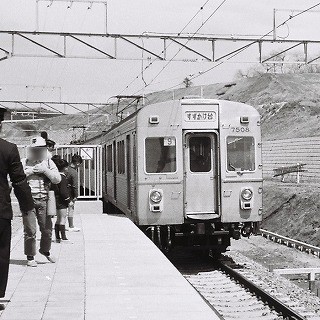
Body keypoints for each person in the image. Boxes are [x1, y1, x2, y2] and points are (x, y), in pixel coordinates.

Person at [0, 107, 34, 310]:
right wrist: (28, 208)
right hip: (1, 211)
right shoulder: (8, 149)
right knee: (1, 252)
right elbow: (19, 182)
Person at [21, 136, 61, 267]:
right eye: (34, 149)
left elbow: (57, 179)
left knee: (47, 229)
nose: (37, 152)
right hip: (28, 200)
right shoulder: (24, 162)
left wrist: (45, 170)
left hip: (44, 200)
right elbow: (16, 177)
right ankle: (30, 256)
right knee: (30, 230)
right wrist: (31, 171)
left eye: (40, 149)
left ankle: (45, 250)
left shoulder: (49, 162)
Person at [51, 158, 70, 242]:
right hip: (62, 201)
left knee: (58, 219)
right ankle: (63, 237)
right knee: (63, 218)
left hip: (56, 199)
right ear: (65, 168)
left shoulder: (55, 177)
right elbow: (63, 191)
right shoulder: (63, 178)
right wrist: (68, 200)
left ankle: (57, 236)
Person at [66, 154, 83, 232]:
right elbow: (75, 185)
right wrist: (76, 195)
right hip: (70, 192)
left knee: (62, 210)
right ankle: (71, 225)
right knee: (71, 209)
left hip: (63, 191)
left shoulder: (66, 169)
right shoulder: (74, 172)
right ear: (77, 163)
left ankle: (61, 226)